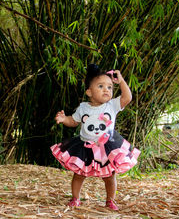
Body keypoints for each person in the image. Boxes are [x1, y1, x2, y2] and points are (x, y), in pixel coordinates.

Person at [51, 64, 140, 210]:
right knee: (79, 174)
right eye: (100, 86)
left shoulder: (112, 105)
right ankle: (75, 198)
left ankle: (110, 201)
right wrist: (63, 119)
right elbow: (73, 121)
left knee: (109, 176)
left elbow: (127, 97)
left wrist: (121, 81)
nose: (106, 89)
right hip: (85, 146)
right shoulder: (83, 107)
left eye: (110, 87)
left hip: (107, 148)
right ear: (89, 92)